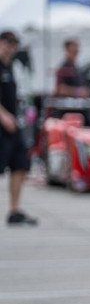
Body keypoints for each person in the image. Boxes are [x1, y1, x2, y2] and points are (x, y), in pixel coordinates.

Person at [0, 31, 37, 226]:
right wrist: (3, 115)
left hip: (13, 126)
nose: (10, 48)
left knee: (20, 164)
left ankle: (14, 210)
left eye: (14, 45)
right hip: (3, 123)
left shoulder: (10, 67)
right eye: (7, 44)